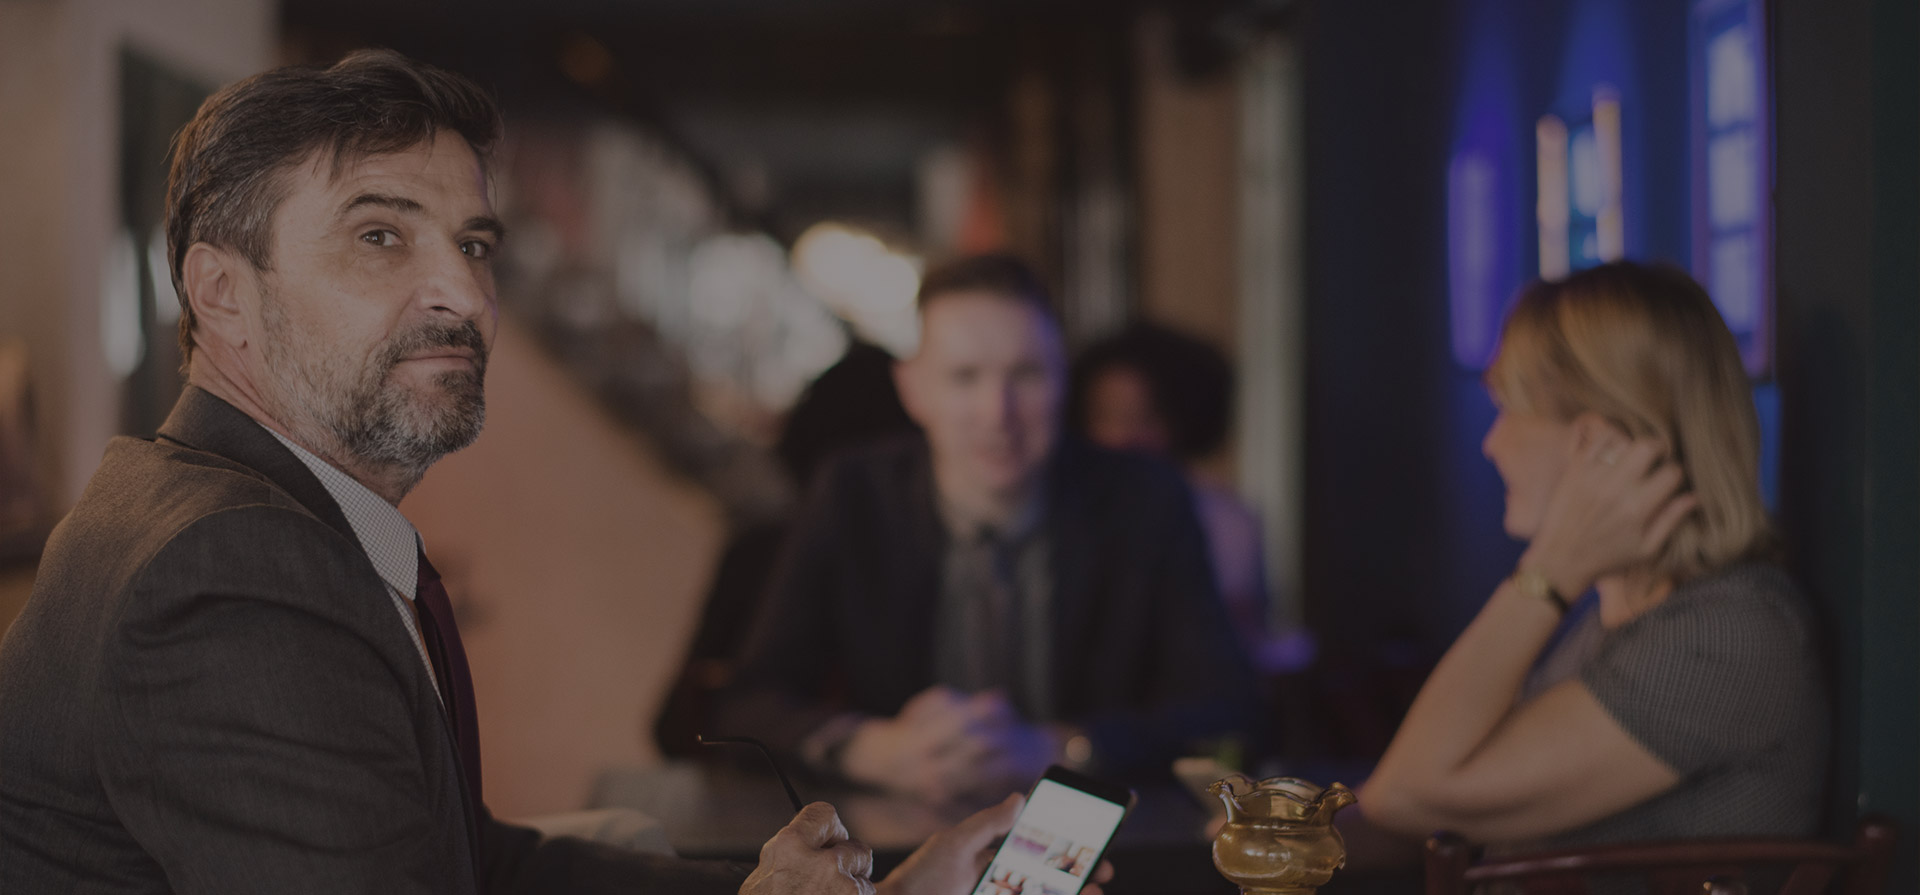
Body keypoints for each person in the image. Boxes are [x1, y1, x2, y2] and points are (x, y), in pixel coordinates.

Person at [0, 51, 1107, 895]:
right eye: (381, 236)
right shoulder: (230, 566)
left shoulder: (259, 516)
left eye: (475, 244)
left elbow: (466, 856)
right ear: (222, 292)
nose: (462, 291)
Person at [714, 254, 1256, 804]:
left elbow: (1230, 709)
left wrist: (1058, 746)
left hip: (1093, 838)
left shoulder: (1144, 498)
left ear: (1063, 381)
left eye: (1026, 375)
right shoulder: (853, 493)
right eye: (964, 376)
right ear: (913, 390)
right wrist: (873, 749)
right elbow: (748, 703)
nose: (998, 412)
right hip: (901, 842)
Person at [1358, 261, 1828, 852]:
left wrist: (1553, 569)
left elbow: (1407, 796)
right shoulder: (1628, 612)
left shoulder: (1726, 633)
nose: (1491, 442)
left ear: (1606, 446)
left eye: (1509, 408)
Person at [1068, 322, 1270, 649]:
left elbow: (1243, 647)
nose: (1127, 436)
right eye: (1109, 416)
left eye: (1146, 418)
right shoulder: (1060, 516)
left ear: (1184, 420)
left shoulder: (1226, 524)